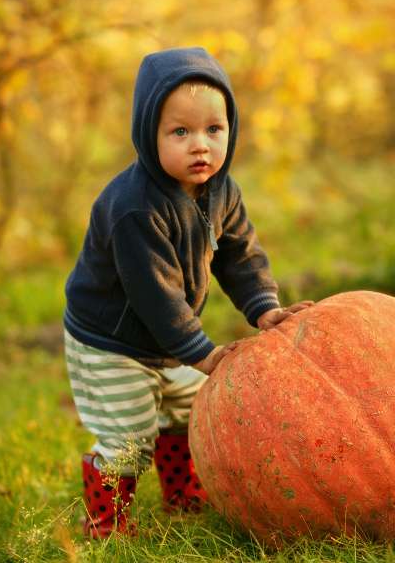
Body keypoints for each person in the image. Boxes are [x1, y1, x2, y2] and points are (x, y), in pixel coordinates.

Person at [64, 47, 313, 538]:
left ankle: (182, 494)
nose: (200, 146)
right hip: (111, 341)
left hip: (167, 339)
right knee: (129, 435)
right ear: (147, 135)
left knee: (189, 413)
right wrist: (199, 351)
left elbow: (240, 253)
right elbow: (153, 293)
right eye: (180, 132)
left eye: (213, 130)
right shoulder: (134, 208)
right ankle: (105, 522)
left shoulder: (222, 190)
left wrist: (263, 307)